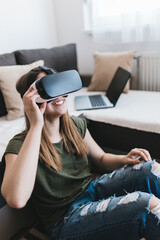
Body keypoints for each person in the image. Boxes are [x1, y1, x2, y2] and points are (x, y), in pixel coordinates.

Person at [1, 66, 160, 240]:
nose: (59, 93)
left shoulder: (75, 125)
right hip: (66, 219)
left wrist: (124, 158)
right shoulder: (20, 145)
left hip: (92, 190)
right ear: (32, 99)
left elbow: (101, 158)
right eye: (49, 89)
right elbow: (16, 199)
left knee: (151, 169)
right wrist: (36, 126)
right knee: (146, 206)